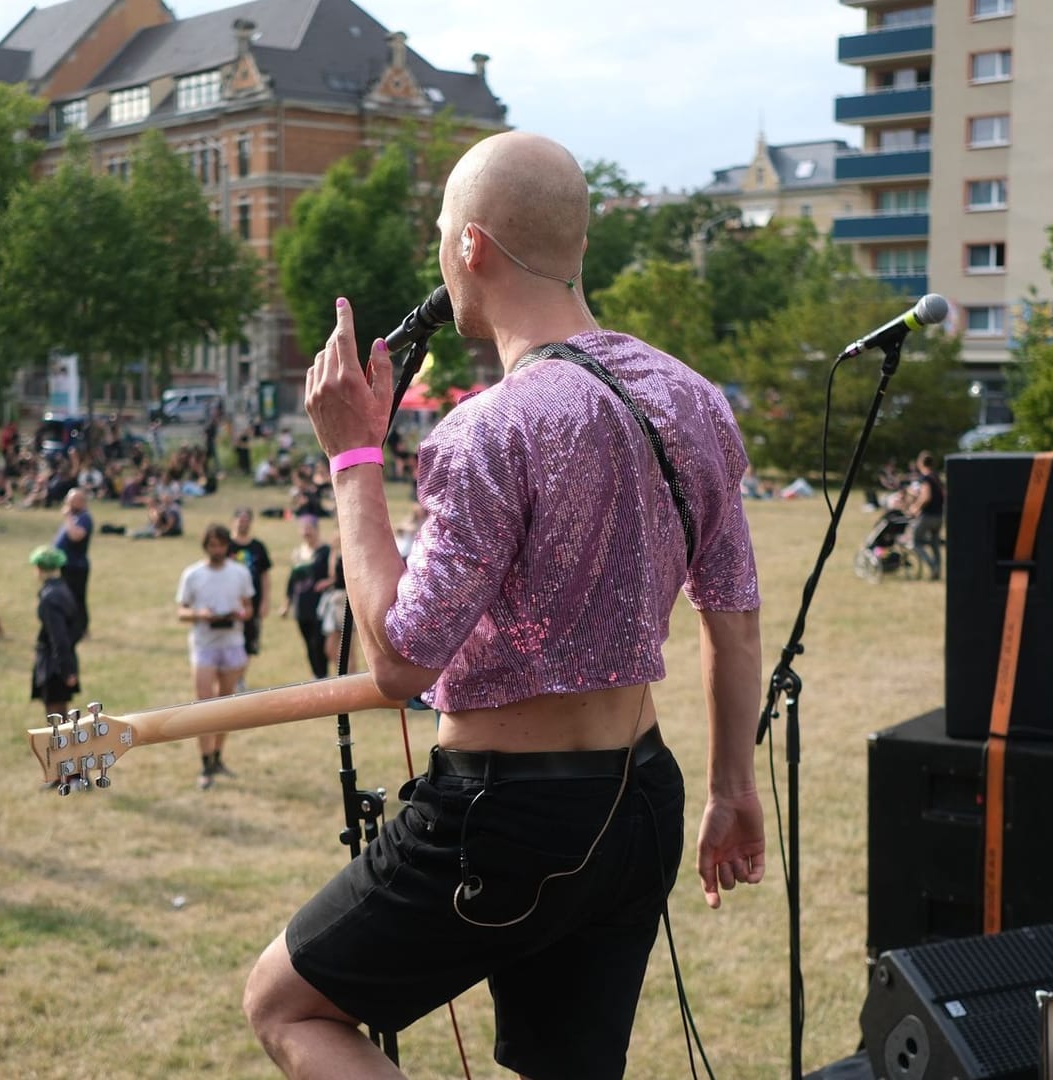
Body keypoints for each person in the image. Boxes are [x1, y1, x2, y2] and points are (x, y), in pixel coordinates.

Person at [243, 132, 765, 1080]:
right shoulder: (696, 400)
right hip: (642, 797)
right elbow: (732, 616)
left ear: (471, 247)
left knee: (285, 1006)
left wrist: (353, 459)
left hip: (506, 815)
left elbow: (403, 659)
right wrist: (735, 789)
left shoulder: (491, 429)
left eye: (444, 232)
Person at [175, 524, 254, 790]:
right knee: (204, 706)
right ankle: (205, 762)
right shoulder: (193, 574)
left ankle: (218, 756)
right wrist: (201, 615)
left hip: (232, 642)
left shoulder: (240, 573)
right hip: (204, 644)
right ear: (205, 546)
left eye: (221, 545)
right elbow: (181, 611)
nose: (217, 550)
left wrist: (238, 614)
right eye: (212, 545)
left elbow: (248, 607)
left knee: (226, 705)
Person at [29, 546, 85, 718]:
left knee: (56, 717)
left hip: (54, 664)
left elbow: (58, 637)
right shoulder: (63, 588)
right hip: (63, 658)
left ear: (39, 568)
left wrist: (66, 670)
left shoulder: (50, 597)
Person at [282, 515, 333, 679]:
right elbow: (292, 580)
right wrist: (286, 604)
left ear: (316, 530)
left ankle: (323, 675)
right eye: (303, 528)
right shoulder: (297, 553)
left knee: (318, 643)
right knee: (308, 645)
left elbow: (334, 575)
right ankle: (316, 676)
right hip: (301, 606)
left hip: (320, 606)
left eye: (309, 528)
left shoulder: (326, 551)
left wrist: (328, 582)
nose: (306, 532)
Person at [228, 507, 272, 666]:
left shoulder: (258, 547)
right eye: (240, 520)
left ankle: (240, 678)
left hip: (253, 602)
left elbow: (265, 576)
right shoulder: (226, 546)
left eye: (246, 521)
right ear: (233, 522)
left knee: (250, 640)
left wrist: (265, 602)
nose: (243, 524)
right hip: (232, 602)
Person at [900, 451, 944, 581]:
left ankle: (933, 567)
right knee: (934, 544)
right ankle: (938, 571)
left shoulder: (925, 478)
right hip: (939, 516)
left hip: (928, 516)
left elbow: (926, 496)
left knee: (915, 542)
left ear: (920, 463)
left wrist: (915, 508)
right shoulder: (936, 477)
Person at [55, 489, 93, 621]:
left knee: (77, 598)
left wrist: (67, 517)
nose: (67, 503)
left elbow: (76, 536)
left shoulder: (84, 517)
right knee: (67, 597)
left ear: (80, 502)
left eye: (70, 500)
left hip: (76, 566)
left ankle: (82, 628)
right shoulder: (75, 517)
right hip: (66, 564)